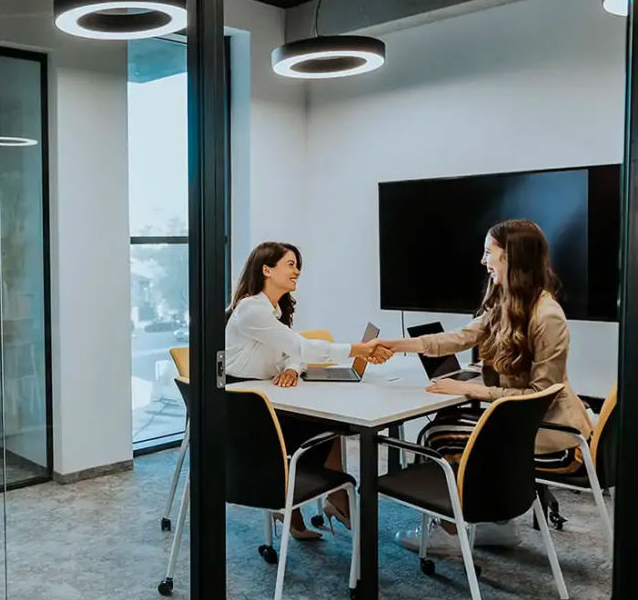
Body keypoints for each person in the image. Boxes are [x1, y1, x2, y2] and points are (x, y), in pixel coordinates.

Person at [380, 219, 592, 554]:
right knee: (447, 427)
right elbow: (460, 338)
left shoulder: (547, 315)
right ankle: (498, 525)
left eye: (488, 252)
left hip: (559, 439)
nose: (483, 260)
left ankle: (450, 532)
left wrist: (471, 390)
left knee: (442, 436)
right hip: (530, 428)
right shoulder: (507, 303)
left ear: (511, 256)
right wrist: (396, 344)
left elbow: (540, 396)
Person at [226, 241, 392, 540]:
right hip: (245, 412)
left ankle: (318, 500)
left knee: (330, 425)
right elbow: (299, 345)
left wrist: (291, 368)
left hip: (267, 398)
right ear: (267, 269)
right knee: (329, 425)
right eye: (290, 264)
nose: (297, 271)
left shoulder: (274, 309)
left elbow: (293, 350)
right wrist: (358, 349)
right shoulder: (251, 309)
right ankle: (321, 499)